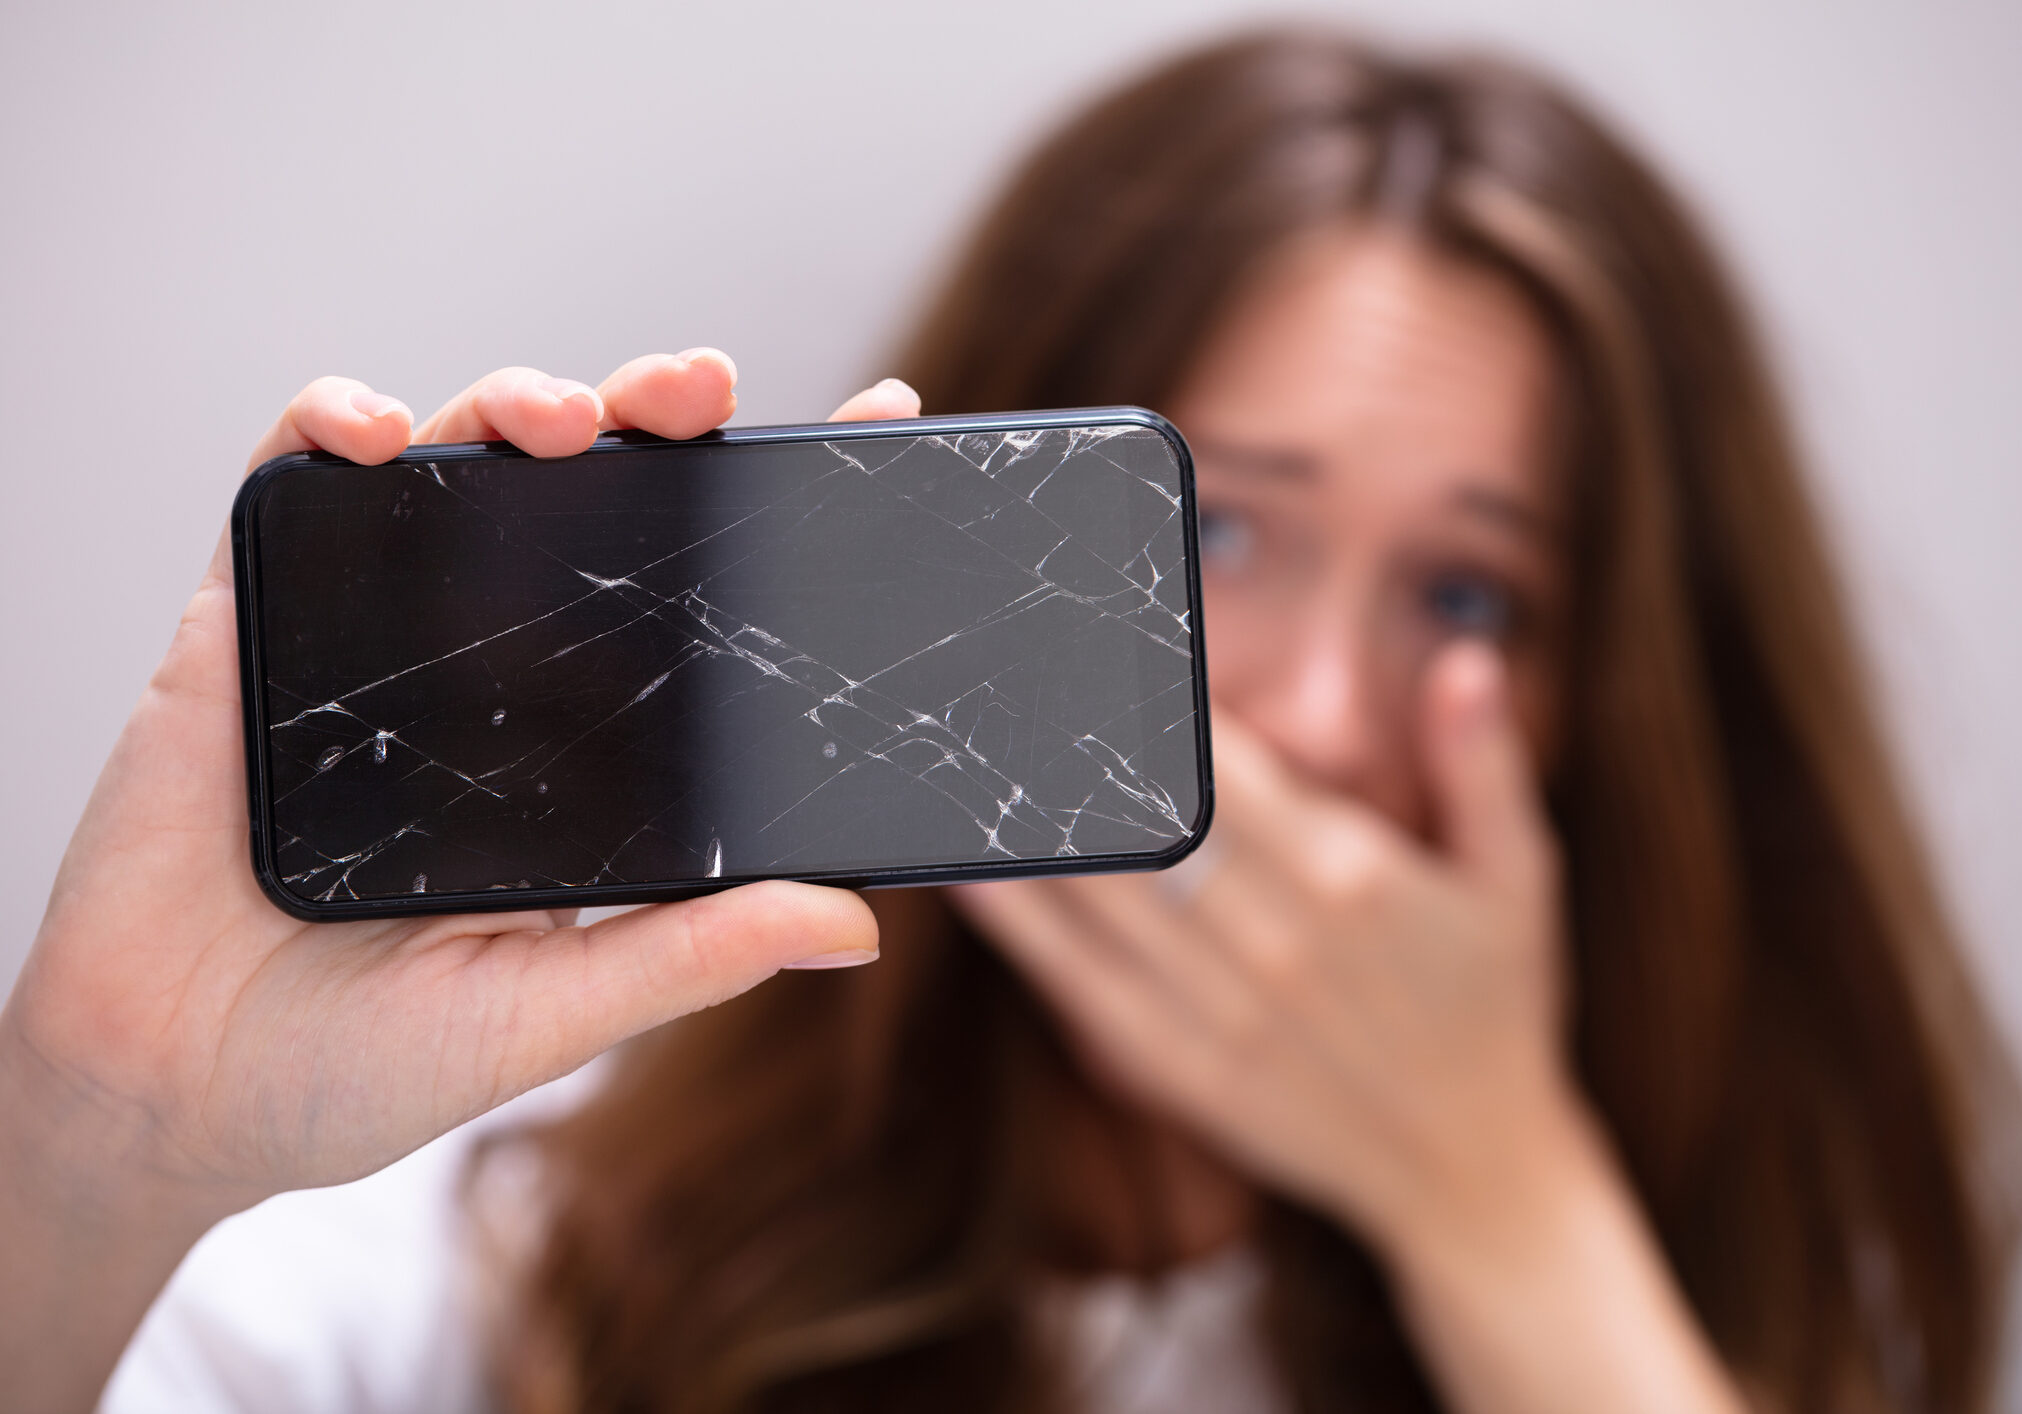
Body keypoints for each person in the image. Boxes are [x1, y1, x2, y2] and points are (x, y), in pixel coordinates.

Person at [3, 27, 2012, 1414]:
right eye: (1221, 528)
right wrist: (99, 1134)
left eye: (1470, 595)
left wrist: (1500, 1203)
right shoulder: (504, 1251)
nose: (1320, 719)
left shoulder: (1730, 1283)